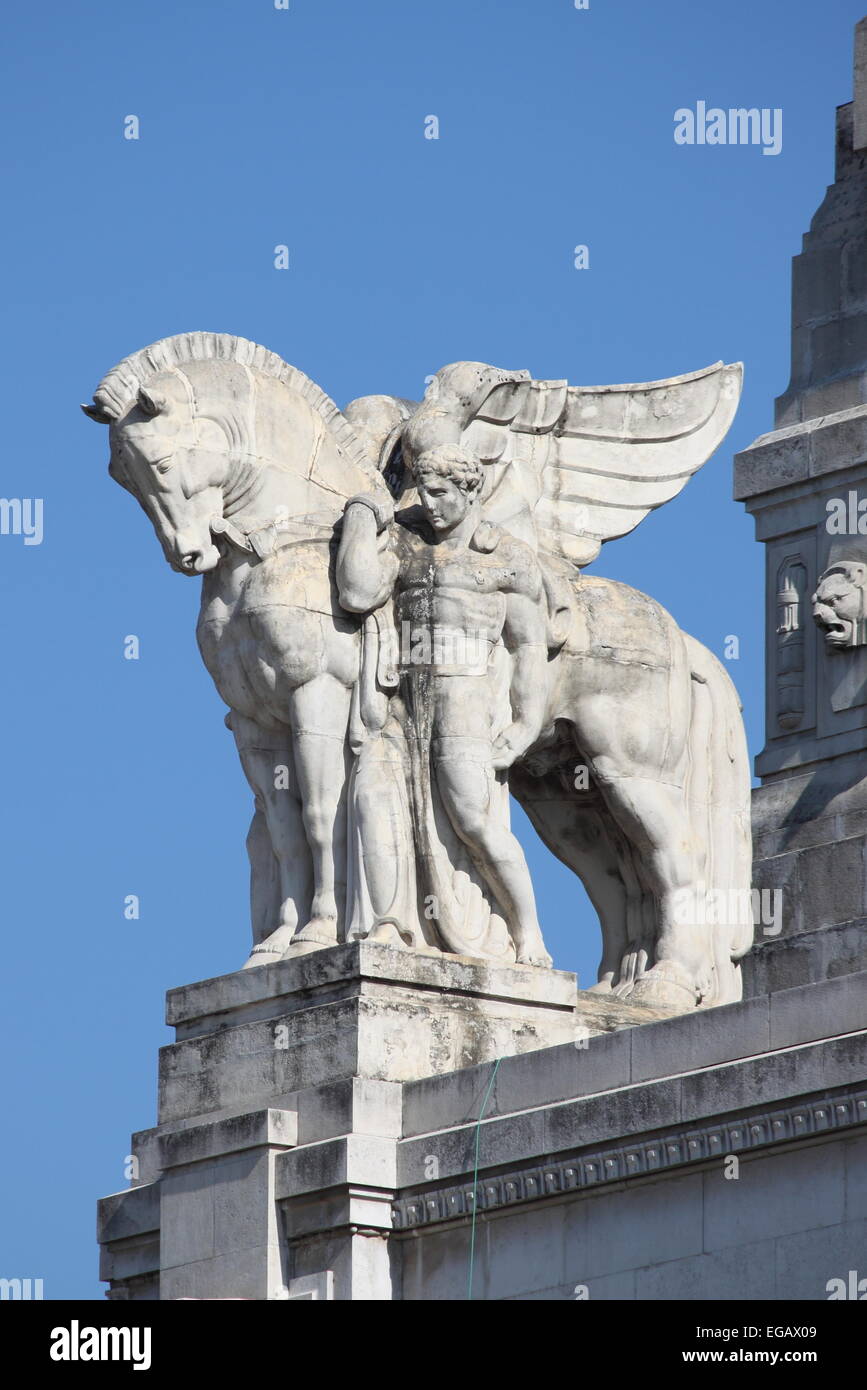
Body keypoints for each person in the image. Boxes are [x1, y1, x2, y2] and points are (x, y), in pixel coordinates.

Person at [337, 442, 552, 967]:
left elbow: (529, 647)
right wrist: (364, 513)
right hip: (396, 695)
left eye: (440, 493)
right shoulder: (405, 539)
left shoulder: (505, 555)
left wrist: (526, 724)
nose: (429, 504)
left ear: (468, 490)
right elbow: (357, 594)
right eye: (423, 492)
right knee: (379, 800)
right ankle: (392, 923)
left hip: (465, 694)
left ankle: (529, 935)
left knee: (472, 819)